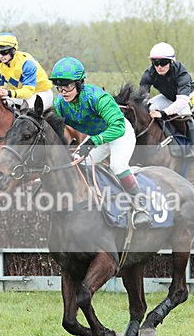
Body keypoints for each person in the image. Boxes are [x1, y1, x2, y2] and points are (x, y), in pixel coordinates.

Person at [50, 57, 150, 229]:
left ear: (79, 83)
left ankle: (140, 206)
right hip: (98, 137)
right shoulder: (60, 103)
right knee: (79, 164)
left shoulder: (97, 98)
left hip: (120, 134)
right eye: (59, 86)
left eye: (67, 85)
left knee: (117, 165)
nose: (63, 91)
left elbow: (118, 127)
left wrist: (92, 142)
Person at [139, 42, 194, 160]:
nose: (159, 67)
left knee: (183, 111)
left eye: (163, 63)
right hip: (168, 97)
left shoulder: (181, 73)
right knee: (149, 106)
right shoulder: (148, 74)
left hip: (190, 96)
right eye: (155, 63)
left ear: (171, 61)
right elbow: (142, 98)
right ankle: (169, 138)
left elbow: (182, 101)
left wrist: (163, 113)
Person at [0, 32, 54, 110]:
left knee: (27, 114)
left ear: (13, 50)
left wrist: (8, 92)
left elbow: (28, 92)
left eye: (4, 52)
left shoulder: (27, 63)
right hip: (21, 95)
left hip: (41, 94)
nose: (1, 56)